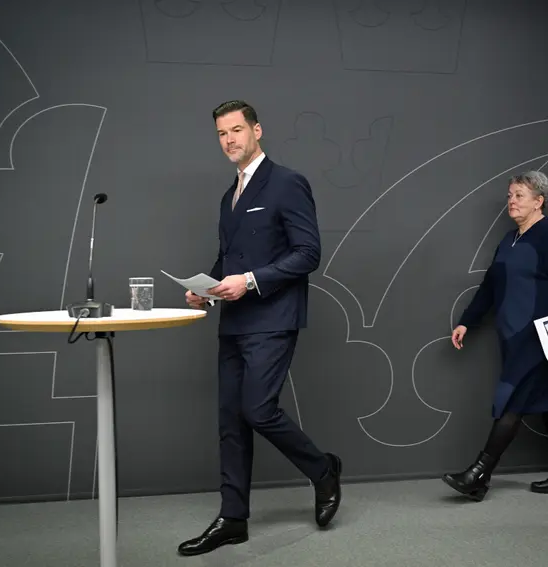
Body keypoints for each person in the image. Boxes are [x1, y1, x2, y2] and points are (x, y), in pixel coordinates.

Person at [177, 100, 342, 557]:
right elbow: (228, 258)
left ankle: (323, 470)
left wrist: (249, 281)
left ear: (257, 130)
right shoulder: (228, 195)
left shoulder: (287, 182)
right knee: (230, 421)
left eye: (236, 130)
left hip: (272, 318)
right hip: (233, 322)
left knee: (258, 410)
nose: (229, 139)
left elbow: (308, 253)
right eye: (221, 133)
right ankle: (233, 518)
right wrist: (206, 290)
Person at [443, 170, 548, 502]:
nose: (511, 201)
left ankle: (479, 475)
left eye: (519, 196)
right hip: (513, 336)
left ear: (539, 201)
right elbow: (490, 285)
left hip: (540, 338)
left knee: (511, 397)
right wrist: (467, 321)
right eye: (510, 195)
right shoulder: (509, 239)